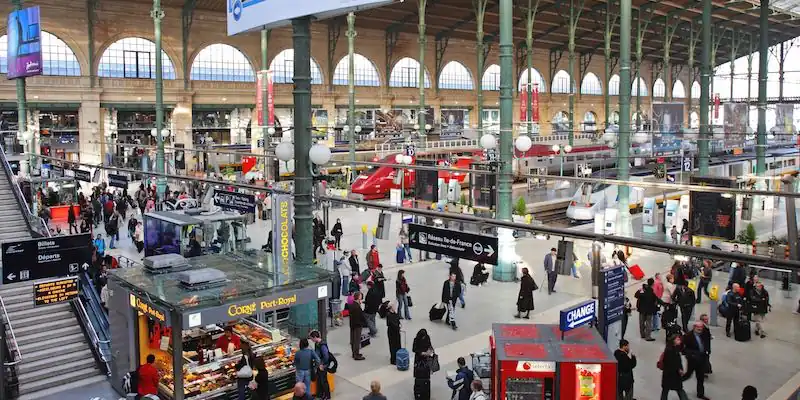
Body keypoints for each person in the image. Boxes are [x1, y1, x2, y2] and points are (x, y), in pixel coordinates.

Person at [681, 321, 711, 400]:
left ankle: (700, 394)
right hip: (693, 360)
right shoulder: (688, 336)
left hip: (702, 359)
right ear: (694, 327)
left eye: (701, 328)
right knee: (688, 374)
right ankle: (677, 382)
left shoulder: (704, 334)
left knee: (700, 377)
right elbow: (683, 349)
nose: (700, 329)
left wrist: (707, 351)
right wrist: (691, 355)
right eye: (698, 328)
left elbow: (707, 342)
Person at [660, 334, 689, 400]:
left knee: (666, 390)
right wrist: (679, 369)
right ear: (673, 341)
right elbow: (671, 363)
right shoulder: (669, 350)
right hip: (671, 374)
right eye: (678, 340)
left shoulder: (675, 348)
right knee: (678, 389)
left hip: (670, 374)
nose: (680, 341)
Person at [309, 330, 331, 400]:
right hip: (319, 365)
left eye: (312, 338)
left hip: (322, 365)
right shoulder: (317, 344)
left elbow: (326, 356)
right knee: (319, 380)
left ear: (315, 337)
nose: (311, 340)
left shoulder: (322, 345)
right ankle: (321, 394)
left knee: (323, 381)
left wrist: (322, 365)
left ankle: (327, 395)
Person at [412, 329, 434, 400]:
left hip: (426, 359)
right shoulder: (416, 340)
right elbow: (414, 349)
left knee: (426, 375)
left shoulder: (427, 337)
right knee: (418, 375)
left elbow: (430, 346)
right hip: (419, 359)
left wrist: (430, 351)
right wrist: (422, 353)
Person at [348, 292, 367, 360]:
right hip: (357, 325)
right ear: (358, 297)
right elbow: (359, 316)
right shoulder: (357, 306)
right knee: (356, 340)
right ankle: (356, 354)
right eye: (360, 295)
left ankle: (354, 353)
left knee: (353, 339)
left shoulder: (352, 304)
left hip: (353, 324)